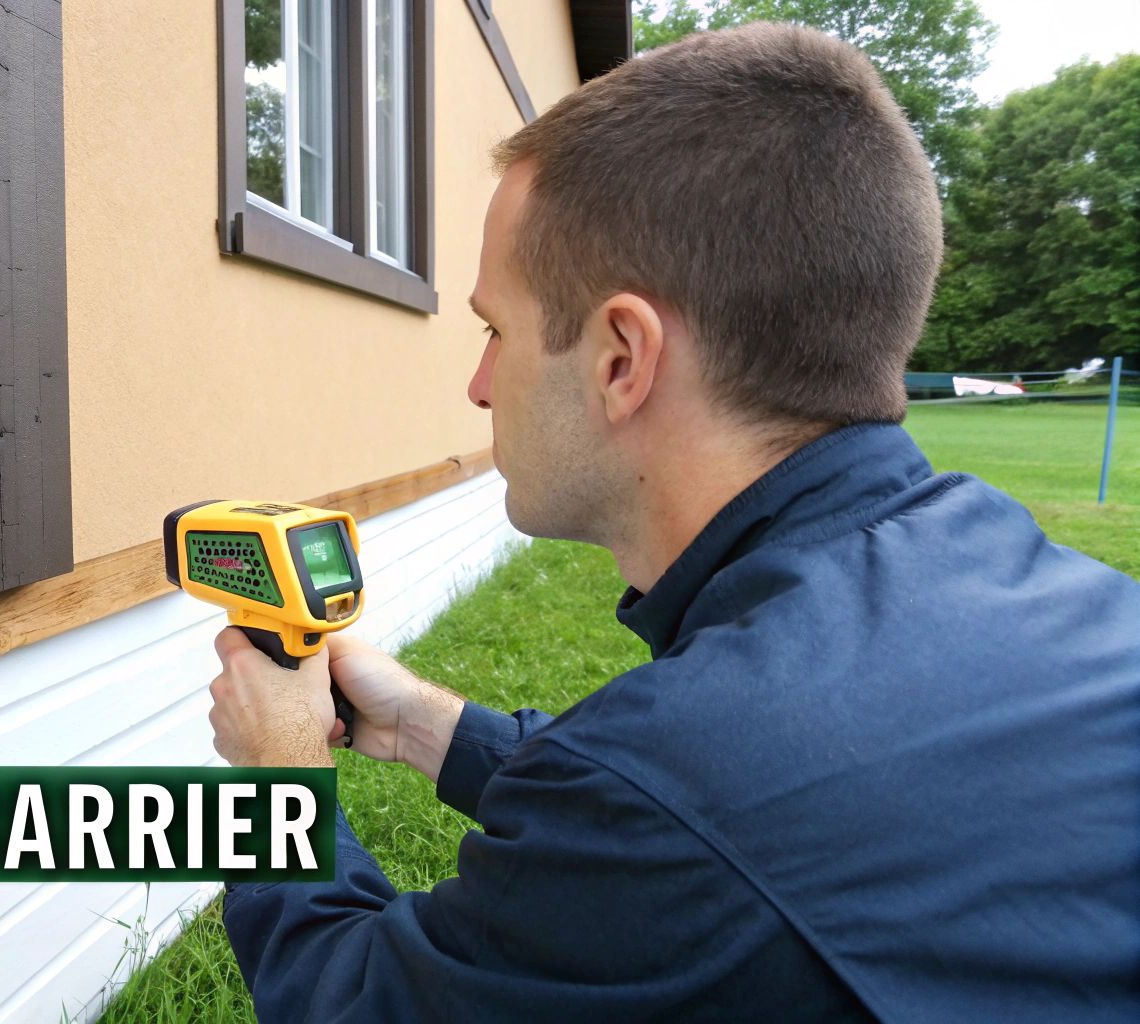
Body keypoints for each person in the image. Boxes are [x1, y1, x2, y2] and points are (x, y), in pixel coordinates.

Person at [204, 22, 1140, 1024]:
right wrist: (426, 728)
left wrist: (278, 774)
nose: (479, 386)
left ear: (619, 358)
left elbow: (347, 1004)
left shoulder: (678, 789)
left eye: (495, 330)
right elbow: (762, 814)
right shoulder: (1062, 604)